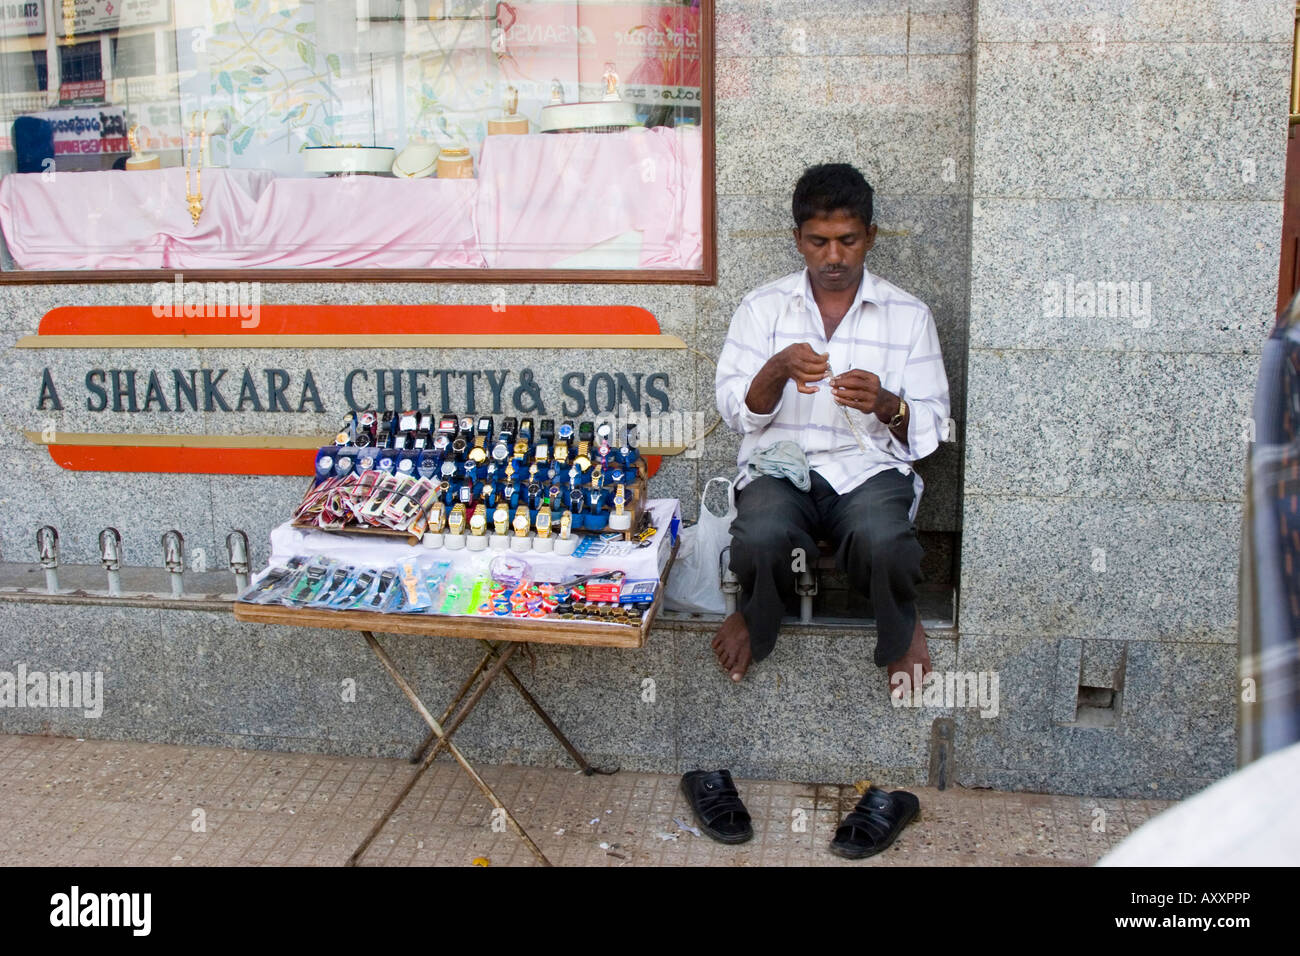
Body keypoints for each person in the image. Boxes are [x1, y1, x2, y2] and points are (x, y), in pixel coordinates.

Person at [681, 163, 950, 856]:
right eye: (819, 241)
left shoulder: (907, 314)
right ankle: (756, 614)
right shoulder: (762, 307)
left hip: (867, 468)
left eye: (849, 241)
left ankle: (900, 628)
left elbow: (932, 429)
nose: (834, 258)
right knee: (763, 532)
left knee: (884, 538)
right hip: (783, 463)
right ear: (797, 238)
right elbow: (738, 415)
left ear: (870, 237)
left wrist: (889, 404)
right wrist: (773, 371)